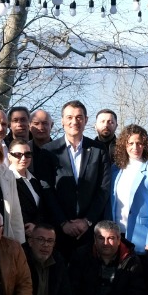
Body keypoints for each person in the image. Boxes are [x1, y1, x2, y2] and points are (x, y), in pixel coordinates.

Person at [47, 100, 111, 252]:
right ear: (62, 121)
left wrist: (87, 221)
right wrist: (63, 223)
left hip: (90, 230)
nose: (74, 121)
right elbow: (46, 191)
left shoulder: (98, 150)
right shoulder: (49, 151)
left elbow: (104, 188)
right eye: (69, 117)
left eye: (79, 117)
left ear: (86, 120)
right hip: (58, 230)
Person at [109, 124, 148, 253]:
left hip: (141, 234)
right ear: (124, 145)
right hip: (117, 233)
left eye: (139, 143)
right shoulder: (116, 169)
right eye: (131, 143)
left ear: (145, 145)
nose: (135, 147)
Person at [8, 140, 60, 238]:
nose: (23, 158)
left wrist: (36, 226)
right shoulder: (5, 180)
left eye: (28, 154)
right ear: (9, 156)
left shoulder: (35, 180)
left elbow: (43, 208)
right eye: (18, 154)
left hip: (39, 235)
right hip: (17, 236)